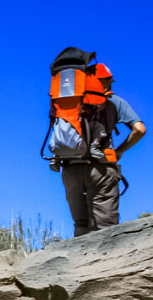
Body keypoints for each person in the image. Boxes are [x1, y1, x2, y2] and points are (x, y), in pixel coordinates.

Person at [59, 62, 145, 236]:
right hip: (101, 167)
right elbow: (139, 129)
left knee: (81, 225)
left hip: (70, 168)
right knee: (106, 228)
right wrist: (120, 151)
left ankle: (81, 261)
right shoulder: (114, 101)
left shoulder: (69, 101)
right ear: (106, 80)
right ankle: (105, 262)